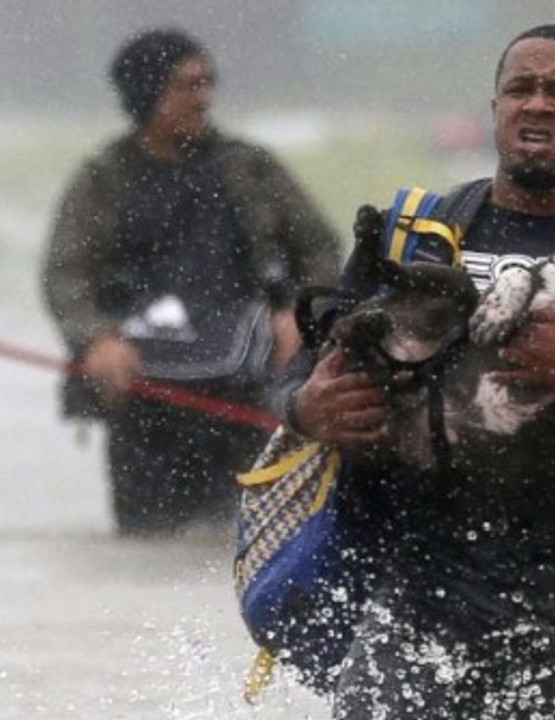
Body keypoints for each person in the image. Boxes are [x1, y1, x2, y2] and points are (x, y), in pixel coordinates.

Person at [277, 25, 555, 718]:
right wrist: (305, 408)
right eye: (521, 89)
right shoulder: (420, 233)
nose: (536, 104)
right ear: (496, 108)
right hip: (421, 587)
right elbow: (304, 369)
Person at [41, 27, 341, 537]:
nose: (204, 98)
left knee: (248, 535)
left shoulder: (250, 168)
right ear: (147, 93)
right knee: (147, 544)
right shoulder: (103, 179)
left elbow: (320, 249)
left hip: (246, 390)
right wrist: (96, 337)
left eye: (208, 83)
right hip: (144, 396)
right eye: (188, 85)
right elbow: (66, 274)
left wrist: (300, 316)